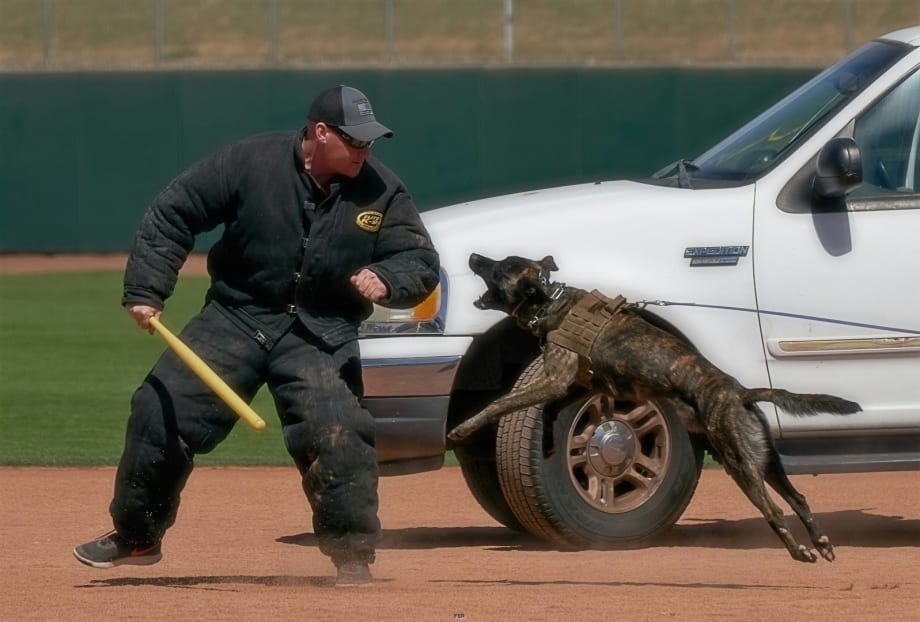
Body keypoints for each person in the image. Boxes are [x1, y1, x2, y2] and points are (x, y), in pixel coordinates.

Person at [73, 85, 440, 586]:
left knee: (337, 434)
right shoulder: (249, 162)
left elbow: (419, 262)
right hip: (237, 317)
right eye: (354, 142)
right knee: (158, 412)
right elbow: (174, 212)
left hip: (321, 329)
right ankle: (136, 537)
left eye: (370, 143)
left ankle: (353, 555)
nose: (364, 152)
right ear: (320, 132)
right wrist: (146, 288)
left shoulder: (383, 190)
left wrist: (389, 279)